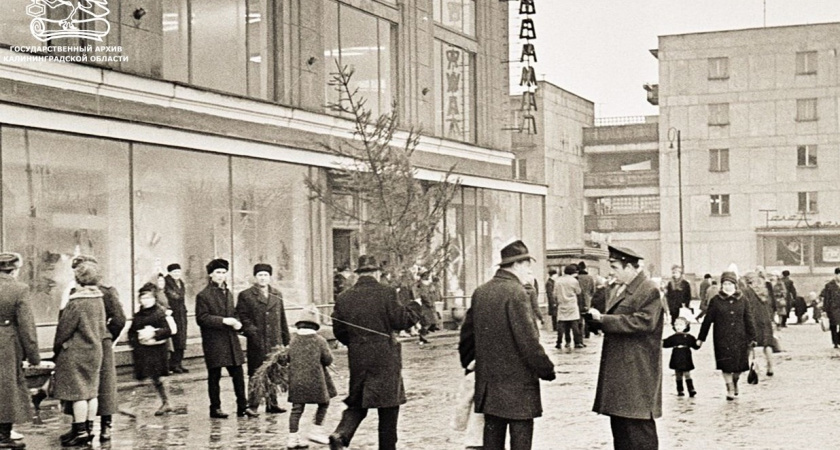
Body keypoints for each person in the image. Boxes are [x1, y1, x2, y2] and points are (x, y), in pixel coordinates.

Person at [458, 240, 555, 450]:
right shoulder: (517, 293)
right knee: (520, 442)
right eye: (528, 265)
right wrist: (546, 369)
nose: (529, 270)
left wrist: (470, 363)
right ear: (518, 264)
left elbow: (466, 336)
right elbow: (528, 341)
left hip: (489, 386)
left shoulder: (480, 292)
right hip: (518, 388)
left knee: (492, 441)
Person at [328, 255, 422, 450]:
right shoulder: (387, 293)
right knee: (388, 406)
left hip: (358, 356)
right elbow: (400, 321)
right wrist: (416, 306)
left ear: (359, 274)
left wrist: (356, 343)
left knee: (358, 400)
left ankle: (341, 434)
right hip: (385, 356)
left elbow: (339, 330)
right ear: (376, 273)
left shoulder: (344, 297)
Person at [589, 245, 664, 450]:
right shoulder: (617, 288)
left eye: (614, 267)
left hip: (637, 371)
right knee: (621, 429)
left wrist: (604, 319)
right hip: (621, 370)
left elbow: (644, 322)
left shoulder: (648, 289)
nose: (610, 271)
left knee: (638, 428)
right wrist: (596, 322)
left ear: (630, 267)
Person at [53, 261, 107, 447]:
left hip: (76, 352)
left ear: (78, 279)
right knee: (91, 392)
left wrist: (57, 348)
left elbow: (64, 329)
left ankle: (80, 431)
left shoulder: (76, 301)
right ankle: (89, 429)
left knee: (78, 394)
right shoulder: (99, 298)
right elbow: (102, 328)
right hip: (95, 350)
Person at [195, 258, 252, 419]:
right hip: (214, 341)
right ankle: (215, 407)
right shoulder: (203, 295)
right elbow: (202, 318)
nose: (221, 276)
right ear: (211, 275)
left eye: (223, 272)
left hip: (231, 340)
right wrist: (223, 321)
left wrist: (238, 323)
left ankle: (243, 406)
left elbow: (233, 313)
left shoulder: (228, 293)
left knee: (238, 374)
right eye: (218, 273)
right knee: (215, 376)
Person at [236, 263, 290, 415]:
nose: (263, 278)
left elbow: (282, 318)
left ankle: (272, 404)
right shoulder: (246, 295)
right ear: (255, 277)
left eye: (265, 275)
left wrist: (286, 340)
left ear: (270, 277)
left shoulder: (276, 294)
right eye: (260, 275)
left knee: (273, 371)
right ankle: (252, 405)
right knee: (256, 372)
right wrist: (251, 331)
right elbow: (242, 316)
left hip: (275, 339)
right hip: (257, 340)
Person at [0, 253, 41, 450]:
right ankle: (3, 436)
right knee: (7, 388)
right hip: (6, 344)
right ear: (14, 270)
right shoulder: (19, 289)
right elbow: (27, 326)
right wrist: (33, 355)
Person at [697, 271, 756, 401]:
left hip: (740, 337)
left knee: (739, 366)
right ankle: (729, 388)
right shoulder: (716, 301)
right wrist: (701, 338)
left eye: (730, 283)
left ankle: (735, 381)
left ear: (735, 285)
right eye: (725, 284)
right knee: (726, 364)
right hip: (722, 338)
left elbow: (749, 319)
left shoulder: (743, 299)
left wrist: (753, 337)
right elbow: (708, 320)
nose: (727, 286)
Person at [287, 307, 336, 449]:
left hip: (297, 380)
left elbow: (287, 357)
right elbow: (327, 359)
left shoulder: (293, 340)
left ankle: (292, 439)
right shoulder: (319, 340)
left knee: (296, 409)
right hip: (316, 381)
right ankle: (316, 430)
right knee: (324, 403)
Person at [128, 284, 174, 416]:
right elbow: (132, 332)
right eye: (143, 298)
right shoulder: (138, 315)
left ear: (154, 299)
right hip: (143, 351)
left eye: (148, 298)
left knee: (156, 377)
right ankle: (164, 403)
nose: (145, 300)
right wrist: (137, 340)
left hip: (157, 351)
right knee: (144, 377)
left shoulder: (159, 313)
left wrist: (154, 333)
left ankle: (163, 403)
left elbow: (168, 330)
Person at [742, 272, 775, 376]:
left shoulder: (747, 291)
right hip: (766, 319)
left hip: (753, 319)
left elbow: (746, 306)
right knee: (767, 344)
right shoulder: (764, 290)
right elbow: (771, 304)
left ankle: (745, 366)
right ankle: (770, 367)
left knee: (750, 344)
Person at [662, 317, 699, 397]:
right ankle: (680, 390)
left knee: (687, 373)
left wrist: (699, 342)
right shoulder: (673, 337)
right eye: (676, 325)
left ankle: (691, 389)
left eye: (681, 325)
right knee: (678, 374)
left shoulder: (689, 337)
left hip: (686, 355)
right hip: (676, 355)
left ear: (686, 326)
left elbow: (695, 346)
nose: (678, 327)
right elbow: (665, 343)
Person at [164, 263, 189, 374]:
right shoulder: (167, 283)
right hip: (173, 315)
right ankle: (173, 364)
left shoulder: (180, 283)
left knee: (182, 339)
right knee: (176, 339)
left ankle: (179, 363)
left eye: (178, 272)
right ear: (169, 273)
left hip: (181, 314)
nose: (177, 274)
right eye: (174, 272)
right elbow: (175, 297)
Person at [554, 265, 583, 349]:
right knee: (574, 325)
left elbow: (554, 294)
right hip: (572, 305)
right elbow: (578, 292)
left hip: (562, 305)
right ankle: (577, 342)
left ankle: (559, 342)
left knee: (561, 324)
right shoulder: (574, 281)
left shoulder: (558, 281)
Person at [417, 271, 442, 345]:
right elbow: (424, 295)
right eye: (426, 275)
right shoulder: (422, 285)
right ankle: (422, 336)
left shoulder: (428, 284)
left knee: (431, 321)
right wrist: (429, 302)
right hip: (426, 306)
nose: (428, 276)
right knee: (426, 322)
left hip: (430, 306)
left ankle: (424, 336)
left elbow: (433, 293)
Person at [820, 268, 840, 349]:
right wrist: (825, 310)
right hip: (833, 308)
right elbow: (826, 298)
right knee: (833, 325)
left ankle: (838, 339)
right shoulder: (829, 285)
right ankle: (835, 341)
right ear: (836, 275)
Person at [577, 261, 595, 339]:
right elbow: (593, 290)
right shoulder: (590, 278)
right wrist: (589, 295)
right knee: (587, 316)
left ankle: (579, 334)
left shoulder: (576, 278)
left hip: (577, 299)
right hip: (587, 299)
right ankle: (587, 333)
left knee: (579, 317)